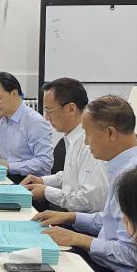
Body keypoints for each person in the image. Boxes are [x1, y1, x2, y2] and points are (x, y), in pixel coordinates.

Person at [33, 95, 137, 272]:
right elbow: (112, 222)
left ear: (110, 134)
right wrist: (71, 217)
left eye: (88, 134)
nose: (86, 142)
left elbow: (132, 257)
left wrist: (77, 238)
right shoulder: (126, 167)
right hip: (103, 262)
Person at [20, 78, 108, 214]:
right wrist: (42, 181)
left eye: (49, 111)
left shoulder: (89, 143)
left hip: (83, 221)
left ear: (71, 109)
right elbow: (72, 176)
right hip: (72, 215)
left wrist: (47, 192)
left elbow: (90, 201)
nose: (46, 117)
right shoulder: (72, 137)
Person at [0, 71, 55, 183]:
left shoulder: (34, 122)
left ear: (14, 94)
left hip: (30, 182)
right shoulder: (0, 120)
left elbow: (45, 162)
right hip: (8, 178)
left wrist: (10, 166)